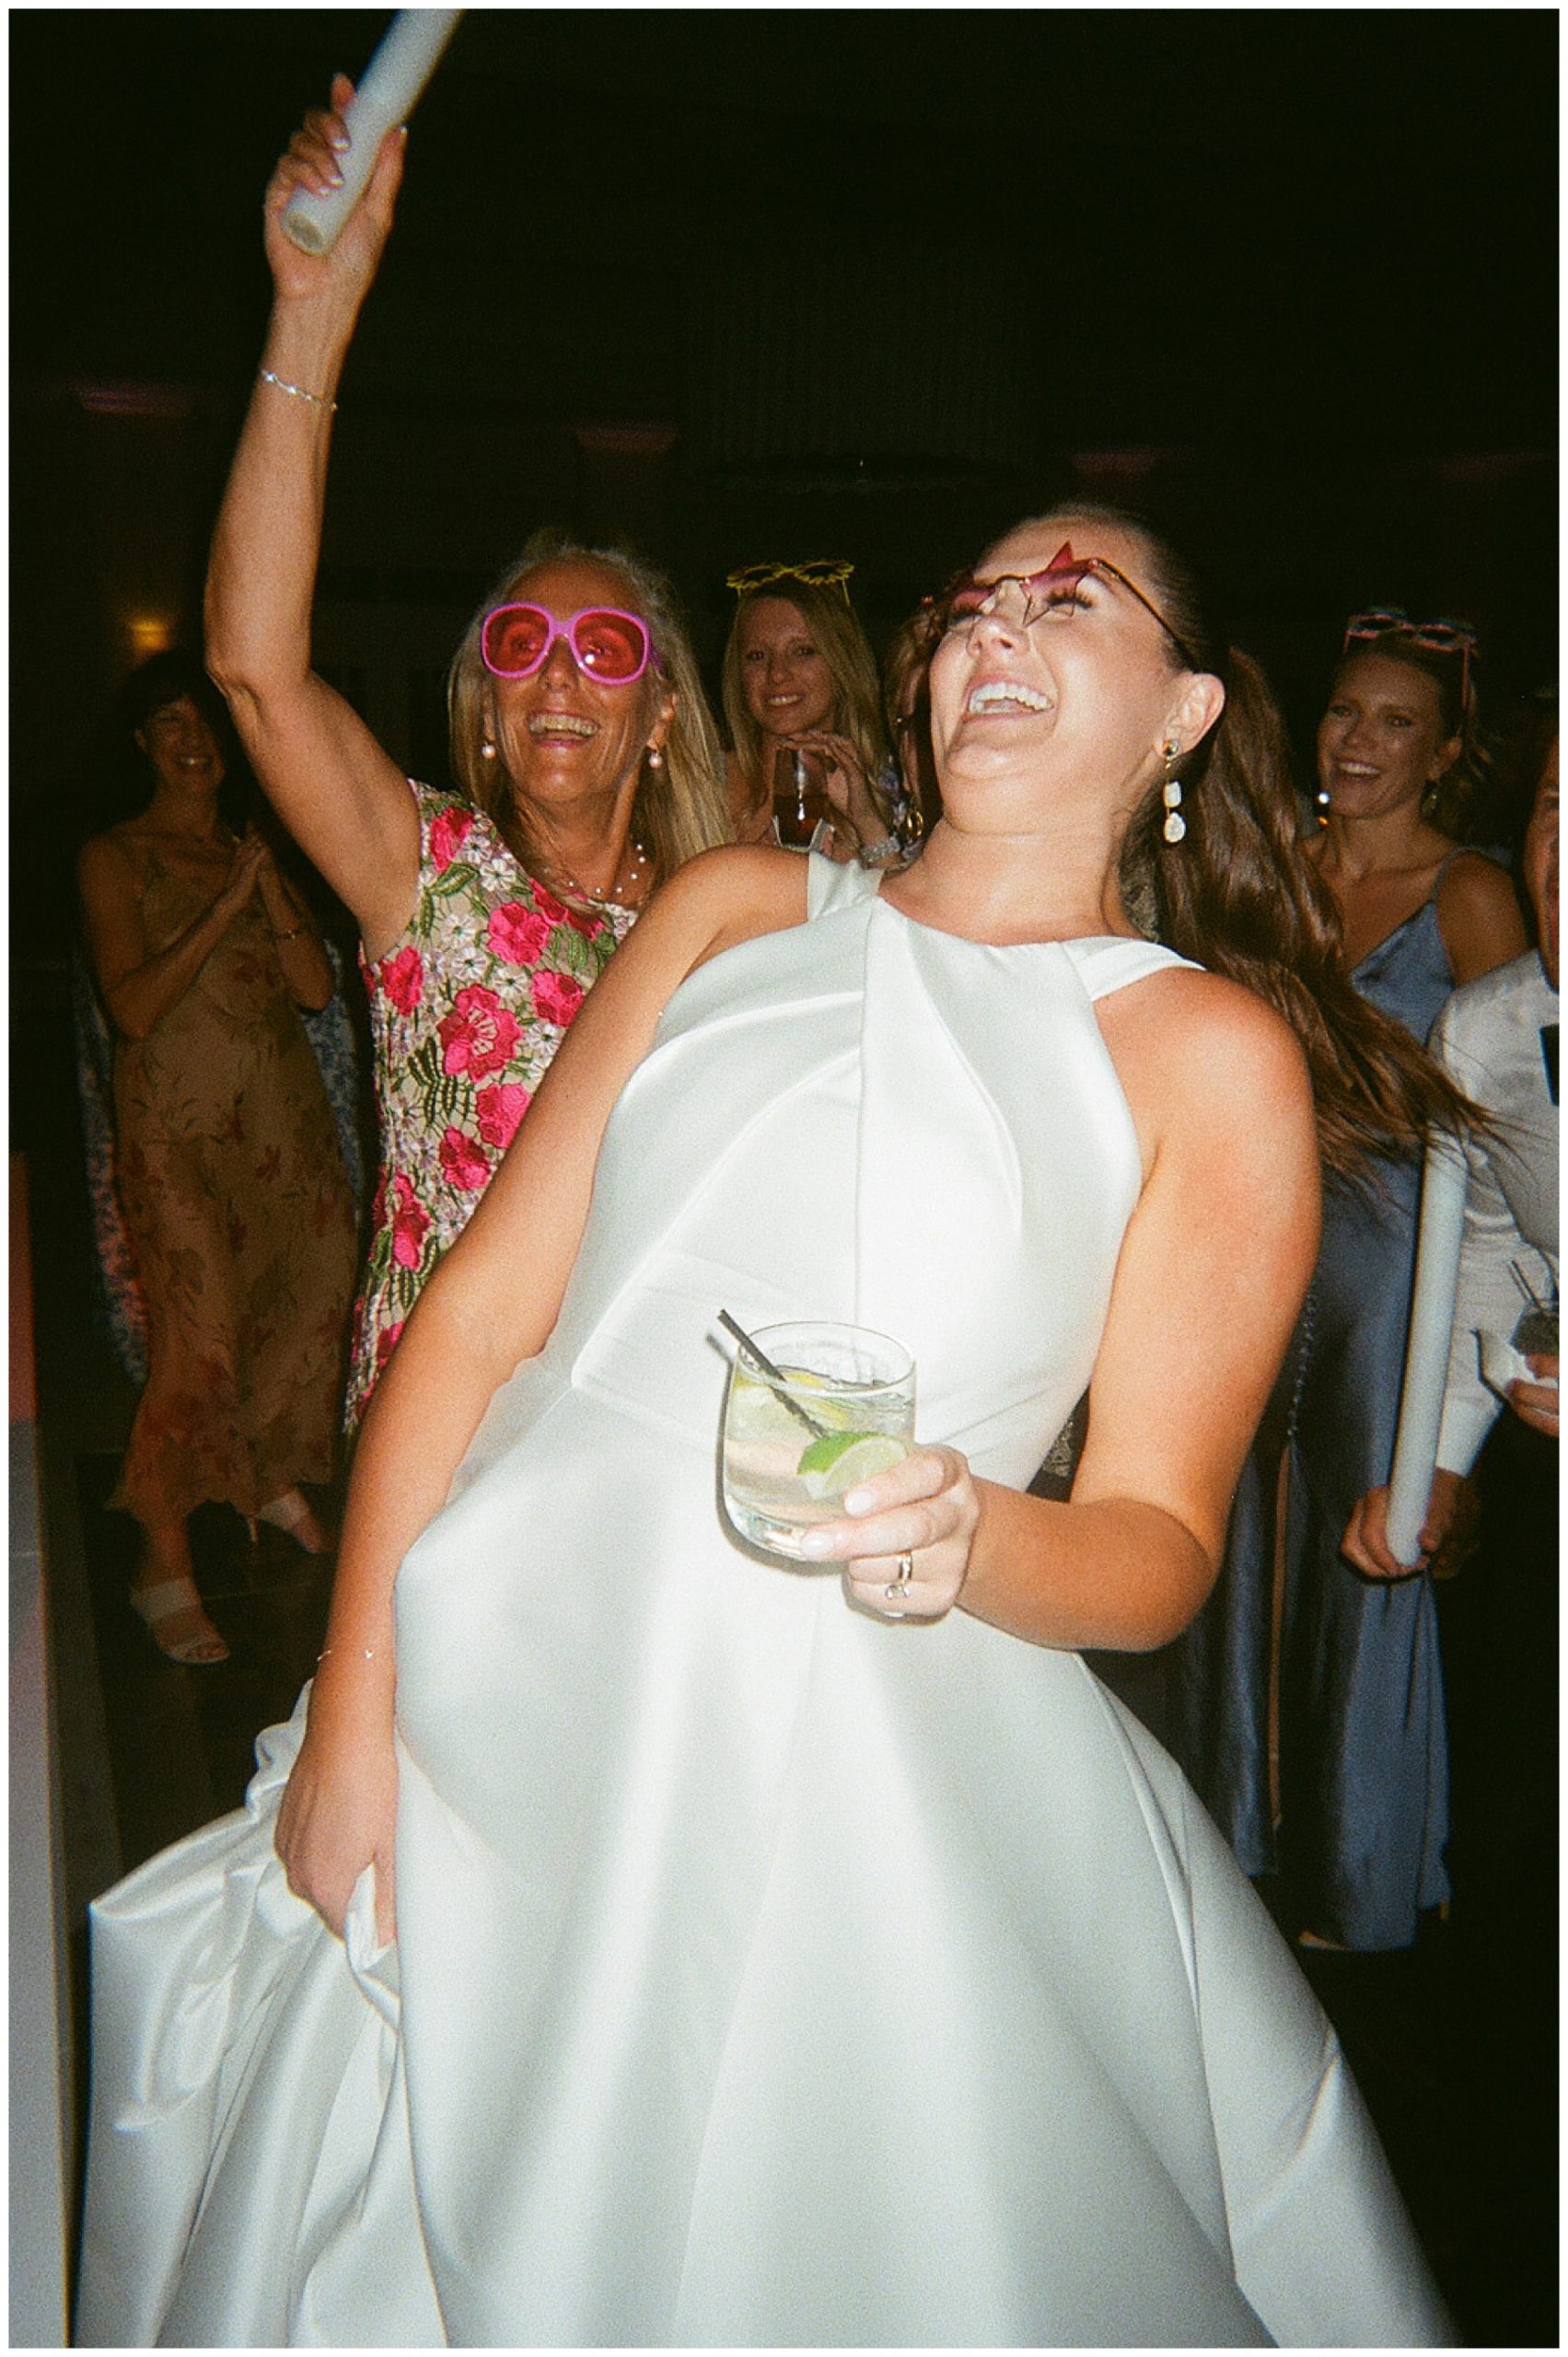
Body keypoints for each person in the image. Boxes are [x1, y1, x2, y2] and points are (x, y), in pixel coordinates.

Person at [78, 508, 1452, 2345]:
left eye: (1070, 599)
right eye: (971, 601)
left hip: (861, 1759)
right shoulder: (732, 904)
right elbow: (481, 1316)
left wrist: (977, 1530)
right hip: (507, 1673)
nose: (998, 625)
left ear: (1182, 710)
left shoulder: (1204, 1053)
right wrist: (356, 1701)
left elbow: (1154, 1548)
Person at [203, 82, 731, 1422]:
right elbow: (255, 670)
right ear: (485, 706)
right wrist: (311, 317)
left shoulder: (719, 921)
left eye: (605, 649)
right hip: (451, 1436)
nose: (557, 673)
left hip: (641, 1423)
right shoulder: (428, 872)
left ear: (661, 713)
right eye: (519, 647)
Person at [1165, 610, 1527, 1953]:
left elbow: (1521, 1099)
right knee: (1244, 1526)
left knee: (1369, 1538)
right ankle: (1239, 1837)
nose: (1357, 741)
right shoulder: (1288, 872)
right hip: (1264, 1229)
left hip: (1400, 1254)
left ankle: (1362, 1866)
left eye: (1393, 724)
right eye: (1343, 715)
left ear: (1439, 755)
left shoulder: (1469, 893)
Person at [75, 652, 359, 1665]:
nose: (192, 742)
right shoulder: (117, 855)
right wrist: (221, 899)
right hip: (177, 1130)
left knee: (314, 1290)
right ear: (142, 742)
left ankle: (265, 1471)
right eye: (169, 725)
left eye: (207, 724)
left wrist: (264, 881)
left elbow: (315, 988)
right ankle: (161, 1554)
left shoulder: (252, 850)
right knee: (199, 1336)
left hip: (277, 1121)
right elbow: (134, 1006)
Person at [720, 560, 908, 862]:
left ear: (842, 662)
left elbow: (909, 908)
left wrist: (869, 825)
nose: (777, 674)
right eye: (757, 656)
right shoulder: (704, 784)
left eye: (803, 651)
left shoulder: (892, 788)